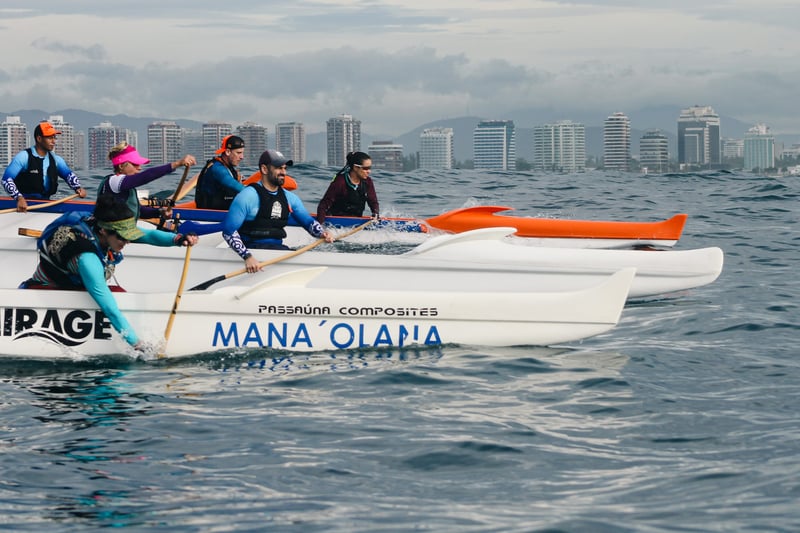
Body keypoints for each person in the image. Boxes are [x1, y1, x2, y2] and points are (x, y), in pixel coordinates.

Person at [19, 195, 199, 351]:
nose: (127, 241)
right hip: (48, 290)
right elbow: (110, 310)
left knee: (119, 295)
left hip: (74, 282)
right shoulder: (87, 259)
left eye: (129, 236)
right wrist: (137, 345)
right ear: (103, 231)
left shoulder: (100, 225)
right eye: (123, 237)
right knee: (115, 299)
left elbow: (149, 235)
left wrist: (178, 239)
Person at [222, 149, 333, 273]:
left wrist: (322, 233)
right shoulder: (247, 196)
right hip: (252, 252)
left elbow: (308, 222)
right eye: (279, 168)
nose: (283, 172)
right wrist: (247, 257)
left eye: (285, 168)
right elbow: (228, 231)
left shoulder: (290, 198)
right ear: (264, 169)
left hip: (277, 250)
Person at [98, 141, 196, 222]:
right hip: (111, 233)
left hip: (124, 230)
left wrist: (159, 212)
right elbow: (146, 176)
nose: (139, 168)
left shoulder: (125, 186)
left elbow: (139, 211)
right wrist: (177, 164)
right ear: (121, 166)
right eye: (135, 164)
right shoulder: (114, 181)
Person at [2, 121, 88, 212]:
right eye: (50, 138)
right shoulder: (23, 157)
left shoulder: (56, 159)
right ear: (39, 138)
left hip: (45, 202)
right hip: (24, 204)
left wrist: (78, 188)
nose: (53, 141)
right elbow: (6, 179)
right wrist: (19, 198)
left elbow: (68, 175)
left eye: (54, 138)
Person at [316, 151, 379, 223]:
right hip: (335, 222)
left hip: (355, 222)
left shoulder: (368, 181)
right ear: (355, 167)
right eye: (366, 168)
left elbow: (373, 202)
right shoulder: (340, 182)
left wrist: (375, 214)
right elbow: (323, 205)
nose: (369, 171)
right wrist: (320, 225)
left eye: (370, 168)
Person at [195, 135, 246, 210]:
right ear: (228, 152)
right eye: (238, 153)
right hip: (210, 214)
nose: (242, 157)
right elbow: (235, 185)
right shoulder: (217, 169)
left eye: (242, 153)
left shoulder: (229, 168)